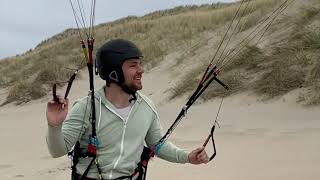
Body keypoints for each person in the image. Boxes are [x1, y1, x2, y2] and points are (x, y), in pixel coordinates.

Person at [46, 39, 209, 180]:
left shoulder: (146, 106)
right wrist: (54, 126)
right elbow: (58, 150)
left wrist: (187, 157)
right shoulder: (86, 107)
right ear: (114, 72)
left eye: (140, 64)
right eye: (133, 65)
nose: (141, 70)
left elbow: (157, 145)